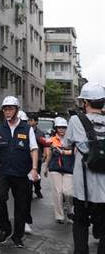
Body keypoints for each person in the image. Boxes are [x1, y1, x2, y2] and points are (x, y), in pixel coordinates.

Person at [0, 96, 40, 249]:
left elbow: (34, 149)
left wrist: (34, 168)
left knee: (21, 206)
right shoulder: (0, 128)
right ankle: (5, 229)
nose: (7, 111)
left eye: (10, 108)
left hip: (22, 174)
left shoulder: (27, 129)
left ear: (17, 110)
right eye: (5, 109)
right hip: (4, 172)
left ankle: (18, 236)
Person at [63, 82, 105, 254]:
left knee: (80, 227)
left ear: (85, 102)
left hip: (83, 191)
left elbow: (66, 144)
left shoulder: (75, 120)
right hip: (104, 194)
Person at [44, 117, 74, 224]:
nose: (62, 129)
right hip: (55, 168)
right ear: (56, 128)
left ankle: (71, 211)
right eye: (59, 127)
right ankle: (59, 216)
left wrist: (64, 152)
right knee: (58, 192)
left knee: (68, 192)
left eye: (64, 127)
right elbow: (48, 155)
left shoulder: (71, 140)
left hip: (69, 168)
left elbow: (76, 152)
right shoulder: (51, 140)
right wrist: (46, 167)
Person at [28, 113, 45, 199]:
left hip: (37, 157)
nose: (29, 122)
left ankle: (37, 189)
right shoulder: (25, 131)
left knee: (37, 175)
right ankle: (29, 191)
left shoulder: (40, 133)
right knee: (28, 175)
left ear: (36, 122)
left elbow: (44, 145)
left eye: (31, 120)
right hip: (27, 158)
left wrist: (44, 155)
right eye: (29, 120)